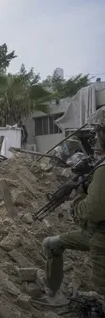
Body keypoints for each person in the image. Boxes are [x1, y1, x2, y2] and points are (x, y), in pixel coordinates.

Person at [41, 120, 105, 301]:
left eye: (98, 132)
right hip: (95, 233)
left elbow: (93, 211)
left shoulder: (103, 169)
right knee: (51, 244)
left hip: (101, 238)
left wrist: (77, 197)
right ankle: (52, 292)